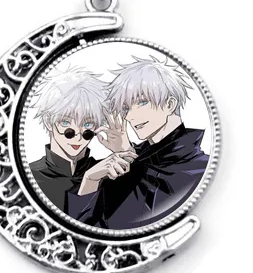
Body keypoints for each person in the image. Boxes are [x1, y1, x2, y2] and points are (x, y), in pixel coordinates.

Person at [66, 56, 209, 229]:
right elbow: (87, 231)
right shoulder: (125, 163)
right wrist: (91, 179)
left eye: (142, 102)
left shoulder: (200, 169)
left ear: (170, 104)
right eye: (126, 108)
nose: (129, 117)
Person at [28, 64, 135, 216]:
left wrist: (126, 150)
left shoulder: (108, 170)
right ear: (48, 121)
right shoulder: (31, 177)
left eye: (87, 124)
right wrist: (89, 182)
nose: (78, 135)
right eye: (66, 122)